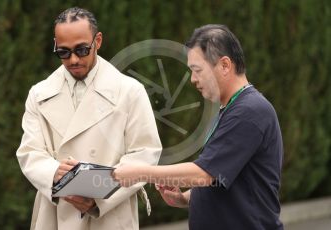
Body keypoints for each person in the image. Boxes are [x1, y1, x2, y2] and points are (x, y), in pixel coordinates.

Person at [113, 24, 284, 230]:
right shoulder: (231, 109)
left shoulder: (249, 112)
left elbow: (204, 174)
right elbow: (222, 174)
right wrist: (184, 198)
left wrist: (141, 172)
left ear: (225, 65)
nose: (193, 79)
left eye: (197, 70)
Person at [16, 7, 161, 230]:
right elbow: (29, 152)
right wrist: (55, 173)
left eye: (82, 50)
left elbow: (145, 153)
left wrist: (98, 194)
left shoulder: (130, 90)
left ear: (98, 41)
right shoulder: (39, 94)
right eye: (63, 52)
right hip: (55, 214)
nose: (73, 59)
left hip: (110, 214)